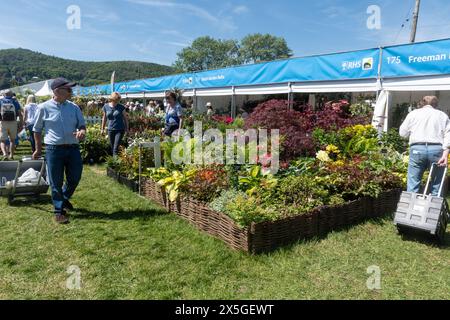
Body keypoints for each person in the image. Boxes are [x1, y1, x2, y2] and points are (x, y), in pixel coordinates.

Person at [32, 77, 87, 224]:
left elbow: (82, 125)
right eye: (67, 89)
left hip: (73, 148)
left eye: (70, 89)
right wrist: (38, 149)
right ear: (57, 91)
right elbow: (36, 130)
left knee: (75, 177)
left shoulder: (74, 107)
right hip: (53, 149)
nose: (70, 92)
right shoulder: (43, 107)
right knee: (55, 181)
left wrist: (81, 131)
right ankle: (58, 211)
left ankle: (63, 198)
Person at [399, 96, 450, 196]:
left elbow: (402, 133)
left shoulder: (413, 114)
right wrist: (445, 154)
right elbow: (448, 134)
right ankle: (434, 209)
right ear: (435, 104)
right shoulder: (442, 115)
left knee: (413, 183)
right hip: (436, 149)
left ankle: (412, 209)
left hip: (417, 149)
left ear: (422, 103)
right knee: (437, 184)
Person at [101, 92, 129, 157]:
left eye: (118, 100)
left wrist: (127, 129)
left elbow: (125, 119)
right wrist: (102, 129)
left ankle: (114, 164)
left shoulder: (121, 107)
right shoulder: (106, 106)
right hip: (110, 129)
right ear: (112, 99)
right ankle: (116, 162)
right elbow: (104, 118)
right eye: (116, 100)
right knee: (112, 147)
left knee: (115, 148)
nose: (117, 101)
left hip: (120, 129)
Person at [0, 90, 24, 160]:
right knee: (12, 140)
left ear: (4, 94)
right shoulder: (14, 101)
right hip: (13, 122)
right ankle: (11, 155)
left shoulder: (1, 101)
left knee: (2, 141)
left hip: (3, 122)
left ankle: (4, 154)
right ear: (11, 94)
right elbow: (20, 113)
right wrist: (21, 123)